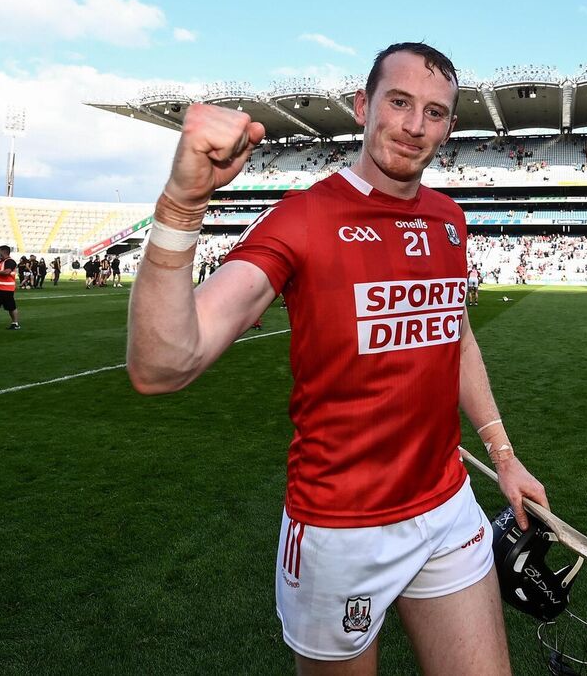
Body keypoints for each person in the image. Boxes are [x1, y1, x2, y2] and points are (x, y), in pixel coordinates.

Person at [128, 42, 547, 675]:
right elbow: (162, 365)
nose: (414, 126)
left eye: (434, 112)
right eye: (399, 103)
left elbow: (454, 338)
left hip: (447, 505)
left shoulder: (448, 219)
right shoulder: (300, 221)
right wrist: (182, 206)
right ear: (362, 107)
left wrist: (506, 459)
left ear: (449, 127)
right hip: (340, 527)